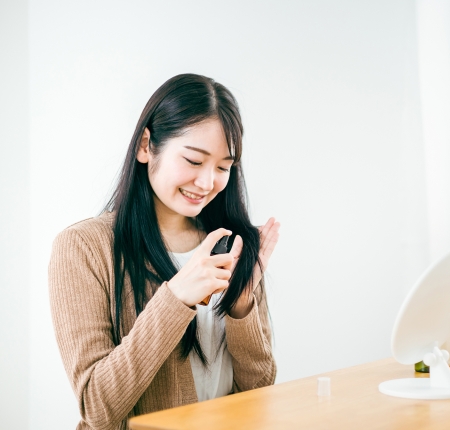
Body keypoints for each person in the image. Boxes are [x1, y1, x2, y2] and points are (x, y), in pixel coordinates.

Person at [48, 73, 279, 430]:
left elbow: (259, 392)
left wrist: (242, 304)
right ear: (145, 146)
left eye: (223, 167)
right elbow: (97, 409)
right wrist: (176, 298)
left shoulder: (230, 244)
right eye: (193, 160)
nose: (207, 183)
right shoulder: (83, 248)